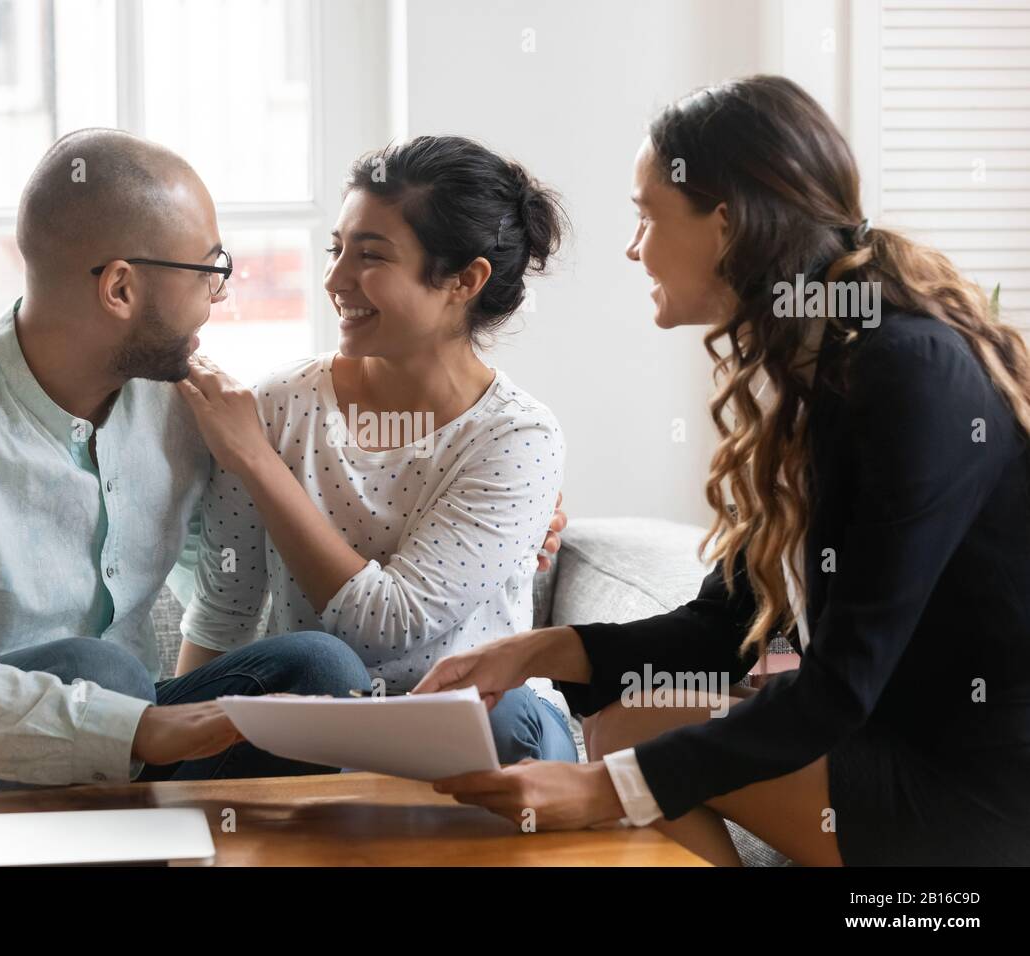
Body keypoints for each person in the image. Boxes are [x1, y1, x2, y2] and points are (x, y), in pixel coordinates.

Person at [416, 76, 1030, 866]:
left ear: (728, 223)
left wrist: (603, 788)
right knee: (629, 719)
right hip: (897, 756)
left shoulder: (906, 371)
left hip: (977, 800)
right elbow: (726, 631)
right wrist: (532, 650)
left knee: (633, 740)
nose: (632, 248)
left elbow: (841, 686)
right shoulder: (823, 366)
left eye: (646, 216)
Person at [0, 128, 374, 802]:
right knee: (98, 671)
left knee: (318, 669)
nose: (219, 298)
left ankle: (155, 828)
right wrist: (123, 727)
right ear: (121, 289)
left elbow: (223, 590)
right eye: (210, 270)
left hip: (116, 735)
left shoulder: (182, 407)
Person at [173, 136, 577, 763]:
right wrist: (180, 767)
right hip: (319, 724)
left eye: (370, 256)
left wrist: (256, 460)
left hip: (484, 727)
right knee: (307, 675)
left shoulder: (516, 436)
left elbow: (390, 623)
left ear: (464, 280)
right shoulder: (279, 404)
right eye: (336, 249)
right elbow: (223, 615)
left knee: (505, 722)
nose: (335, 279)